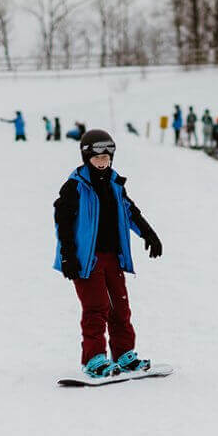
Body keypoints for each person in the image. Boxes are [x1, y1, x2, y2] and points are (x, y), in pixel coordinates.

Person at [53, 129, 163, 379]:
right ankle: (94, 358)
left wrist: (149, 234)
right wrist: (68, 255)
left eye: (107, 157)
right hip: (86, 260)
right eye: (97, 158)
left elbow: (130, 212)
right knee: (96, 308)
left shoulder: (114, 184)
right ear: (86, 157)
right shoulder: (75, 187)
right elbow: (63, 222)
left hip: (113, 256)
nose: (103, 162)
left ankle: (124, 353)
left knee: (120, 307)